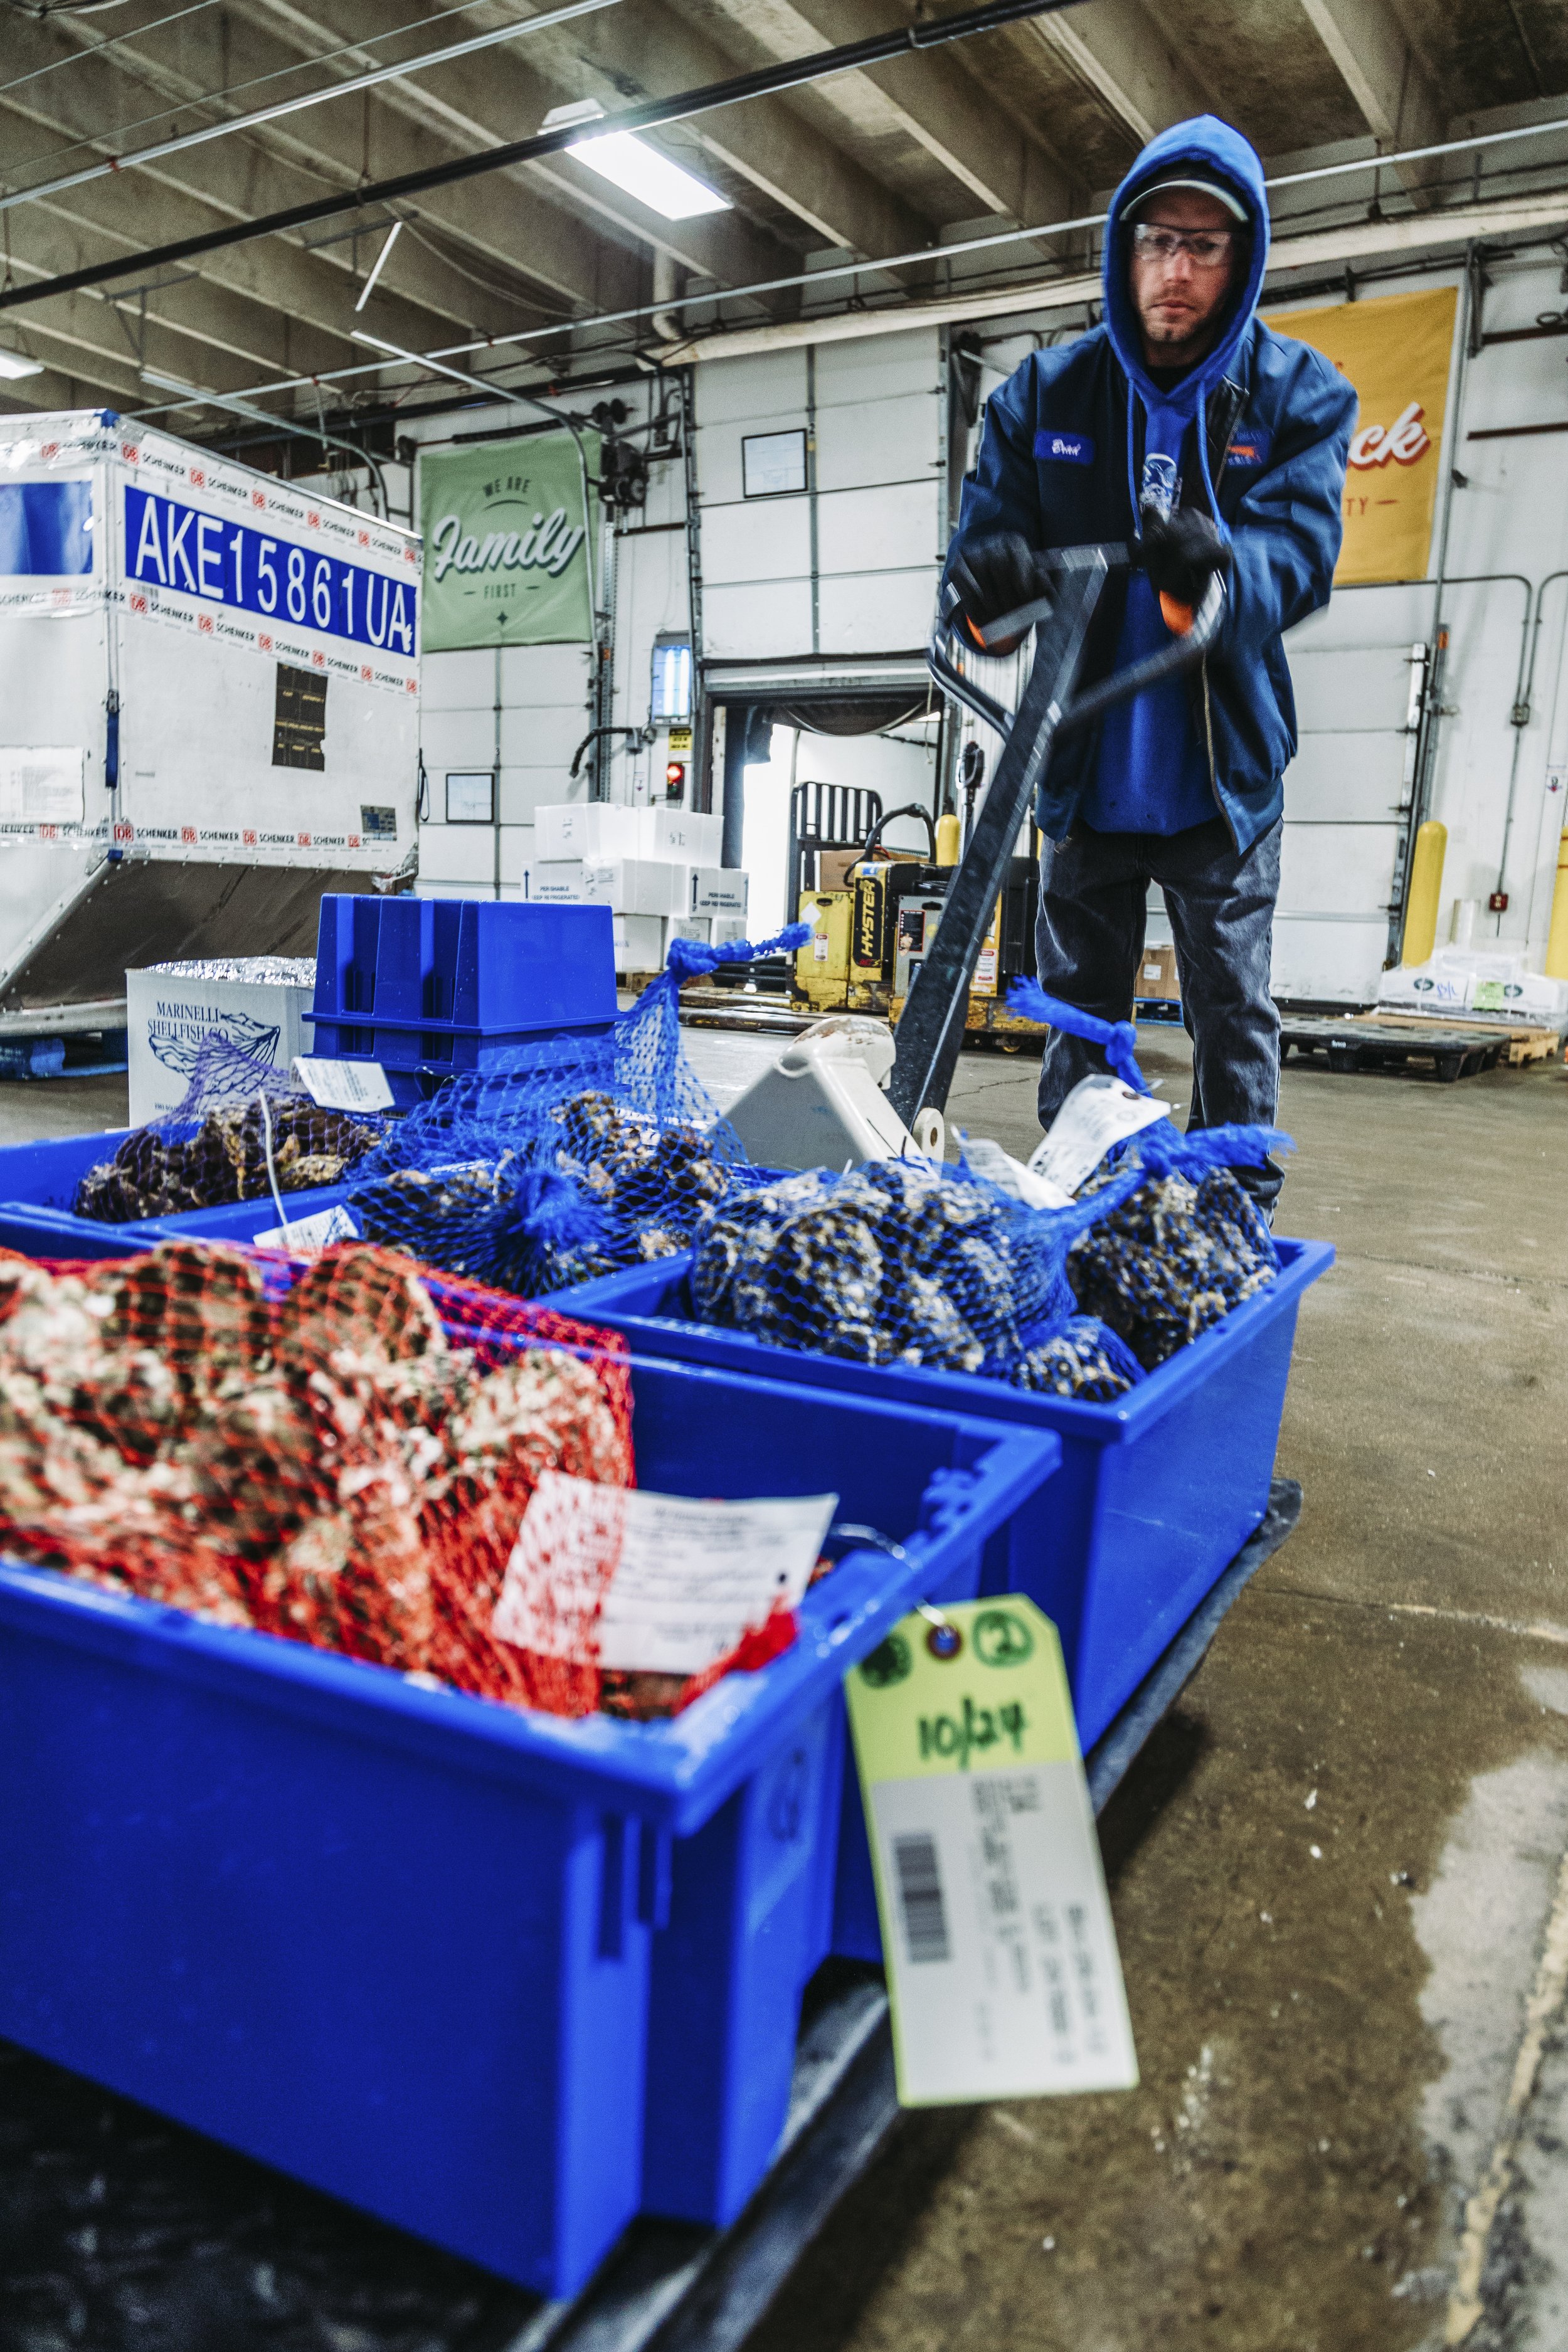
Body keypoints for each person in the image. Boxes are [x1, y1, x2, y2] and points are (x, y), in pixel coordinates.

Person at [940, 115, 1355, 1210]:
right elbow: (983, 584)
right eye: (1158, 241)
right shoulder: (1045, 397)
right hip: (1085, 768)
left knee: (1232, 1011)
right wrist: (986, 594)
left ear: (1242, 257)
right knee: (1078, 1007)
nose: (1176, 270)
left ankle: (1233, 1216)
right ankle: (1077, 1207)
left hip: (1220, 783)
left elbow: (1297, 558)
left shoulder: (1298, 396)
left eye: (1204, 246)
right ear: (1124, 248)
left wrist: (1213, 575)